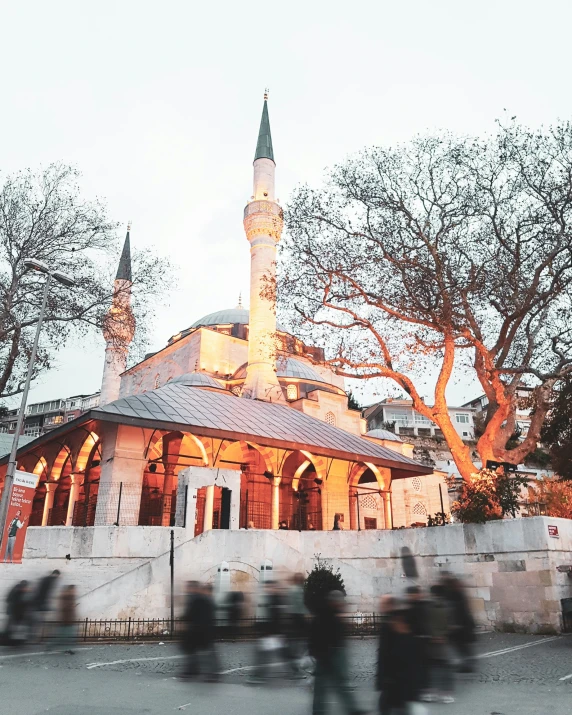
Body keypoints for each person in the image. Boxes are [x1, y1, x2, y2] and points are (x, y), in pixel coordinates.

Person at [309, 590, 365, 715]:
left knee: (336, 685)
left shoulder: (330, 613)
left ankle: (350, 709)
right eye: (340, 602)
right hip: (327, 655)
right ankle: (319, 711)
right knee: (328, 686)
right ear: (334, 602)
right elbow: (318, 635)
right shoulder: (325, 615)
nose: (342, 604)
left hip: (331, 654)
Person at [376, 601, 423, 714]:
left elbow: (416, 667)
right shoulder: (394, 637)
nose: (395, 623)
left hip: (403, 689)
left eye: (398, 621)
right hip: (393, 687)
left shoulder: (410, 641)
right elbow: (384, 659)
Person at [181, 581, 219, 681]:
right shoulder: (206, 599)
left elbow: (194, 615)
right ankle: (199, 671)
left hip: (202, 631)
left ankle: (209, 673)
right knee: (204, 653)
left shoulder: (202, 599)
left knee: (206, 653)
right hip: (203, 631)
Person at [441, 574, 475, 673]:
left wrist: (454, 624)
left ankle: (467, 664)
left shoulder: (455, 595)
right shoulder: (457, 594)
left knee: (461, 646)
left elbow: (458, 611)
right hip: (462, 625)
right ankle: (466, 663)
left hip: (460, 626)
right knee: (461, 646)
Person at [426, 584, 454, 703]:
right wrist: (443, 635)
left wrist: (431, 635)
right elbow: (452, 624)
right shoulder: (447, 606)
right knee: (444, 668)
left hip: (431, 641)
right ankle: (445, 693)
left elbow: (425, 623)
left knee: (432, 667)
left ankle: (431, 692)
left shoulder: (427, 606)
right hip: (443, 642)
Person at [405, 586, 432, 700]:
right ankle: (418, 689)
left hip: (422, 639)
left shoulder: (422, 606)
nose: (410, 597)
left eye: (411, 594)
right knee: (416, 666)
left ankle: (425, 690)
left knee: (423, 666)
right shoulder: (409, 607)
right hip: (414, 640)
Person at [31, 570, 61, 643]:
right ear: (55, 574)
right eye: (57, 576)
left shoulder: (47, 579)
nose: (57, 578)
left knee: (39, 621)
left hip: (40, 603)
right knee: (39, 621)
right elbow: (43, 593)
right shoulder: (49, 580)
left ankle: (38, 638)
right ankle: (37, 638)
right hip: (41, 604)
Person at [3, 580, 30, 645]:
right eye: (25, 587)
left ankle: (9, 640)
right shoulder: (18, 591)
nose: (26, 588)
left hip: (12, 611)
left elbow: (8, 599)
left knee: (11, 626)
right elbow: (18, 602)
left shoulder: (16, 590)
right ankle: (8, 640)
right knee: (11, 626)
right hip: (14, 611)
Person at [53, 585, 77, 654]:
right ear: (70, 590)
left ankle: (68, 649)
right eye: (73, 590)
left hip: (69, 621)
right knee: (62, 637)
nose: (74, 591)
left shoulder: (71, 598)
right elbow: (63, 608)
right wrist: (70, 606)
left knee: (69, 637)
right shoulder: (65, 597)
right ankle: (49, 647)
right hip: (65, 621)